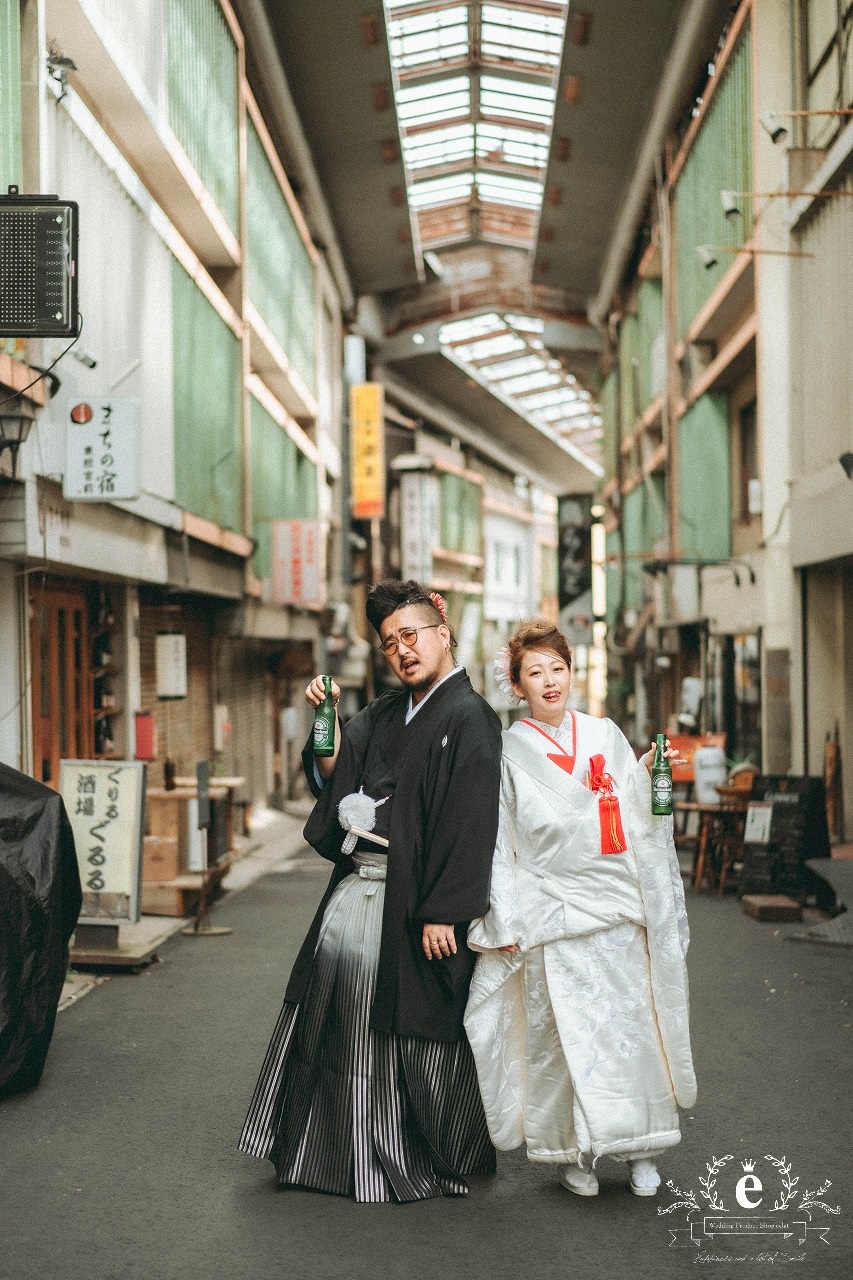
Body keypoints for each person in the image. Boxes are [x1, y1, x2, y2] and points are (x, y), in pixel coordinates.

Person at [239, 579, 503, 1202]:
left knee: (418, 1032)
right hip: (359, 895)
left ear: (443, 631)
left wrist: (446, 911)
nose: (403, 651)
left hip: (419, 905)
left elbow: (471, 822)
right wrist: (325, 720)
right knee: (341, 1022)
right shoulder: (385, 713)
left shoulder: (471, 717)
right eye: (390, 643)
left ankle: (421, 1150)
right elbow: (333, 773)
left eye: (411, 635)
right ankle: (329, 1152)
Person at [464, 619, 695, 1198]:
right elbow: (502, 843)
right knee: (564, 1039)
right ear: (516, 685)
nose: (549, 682)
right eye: (534, 672)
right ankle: (578, 1152)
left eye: (557, 668)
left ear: (571, 671)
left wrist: (645, 775)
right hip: (552, 909)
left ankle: (641, 1146)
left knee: (630, 1031)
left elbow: (637, 813)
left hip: (614, 907)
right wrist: (504, 915)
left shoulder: (604, 734)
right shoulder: (509, 751)